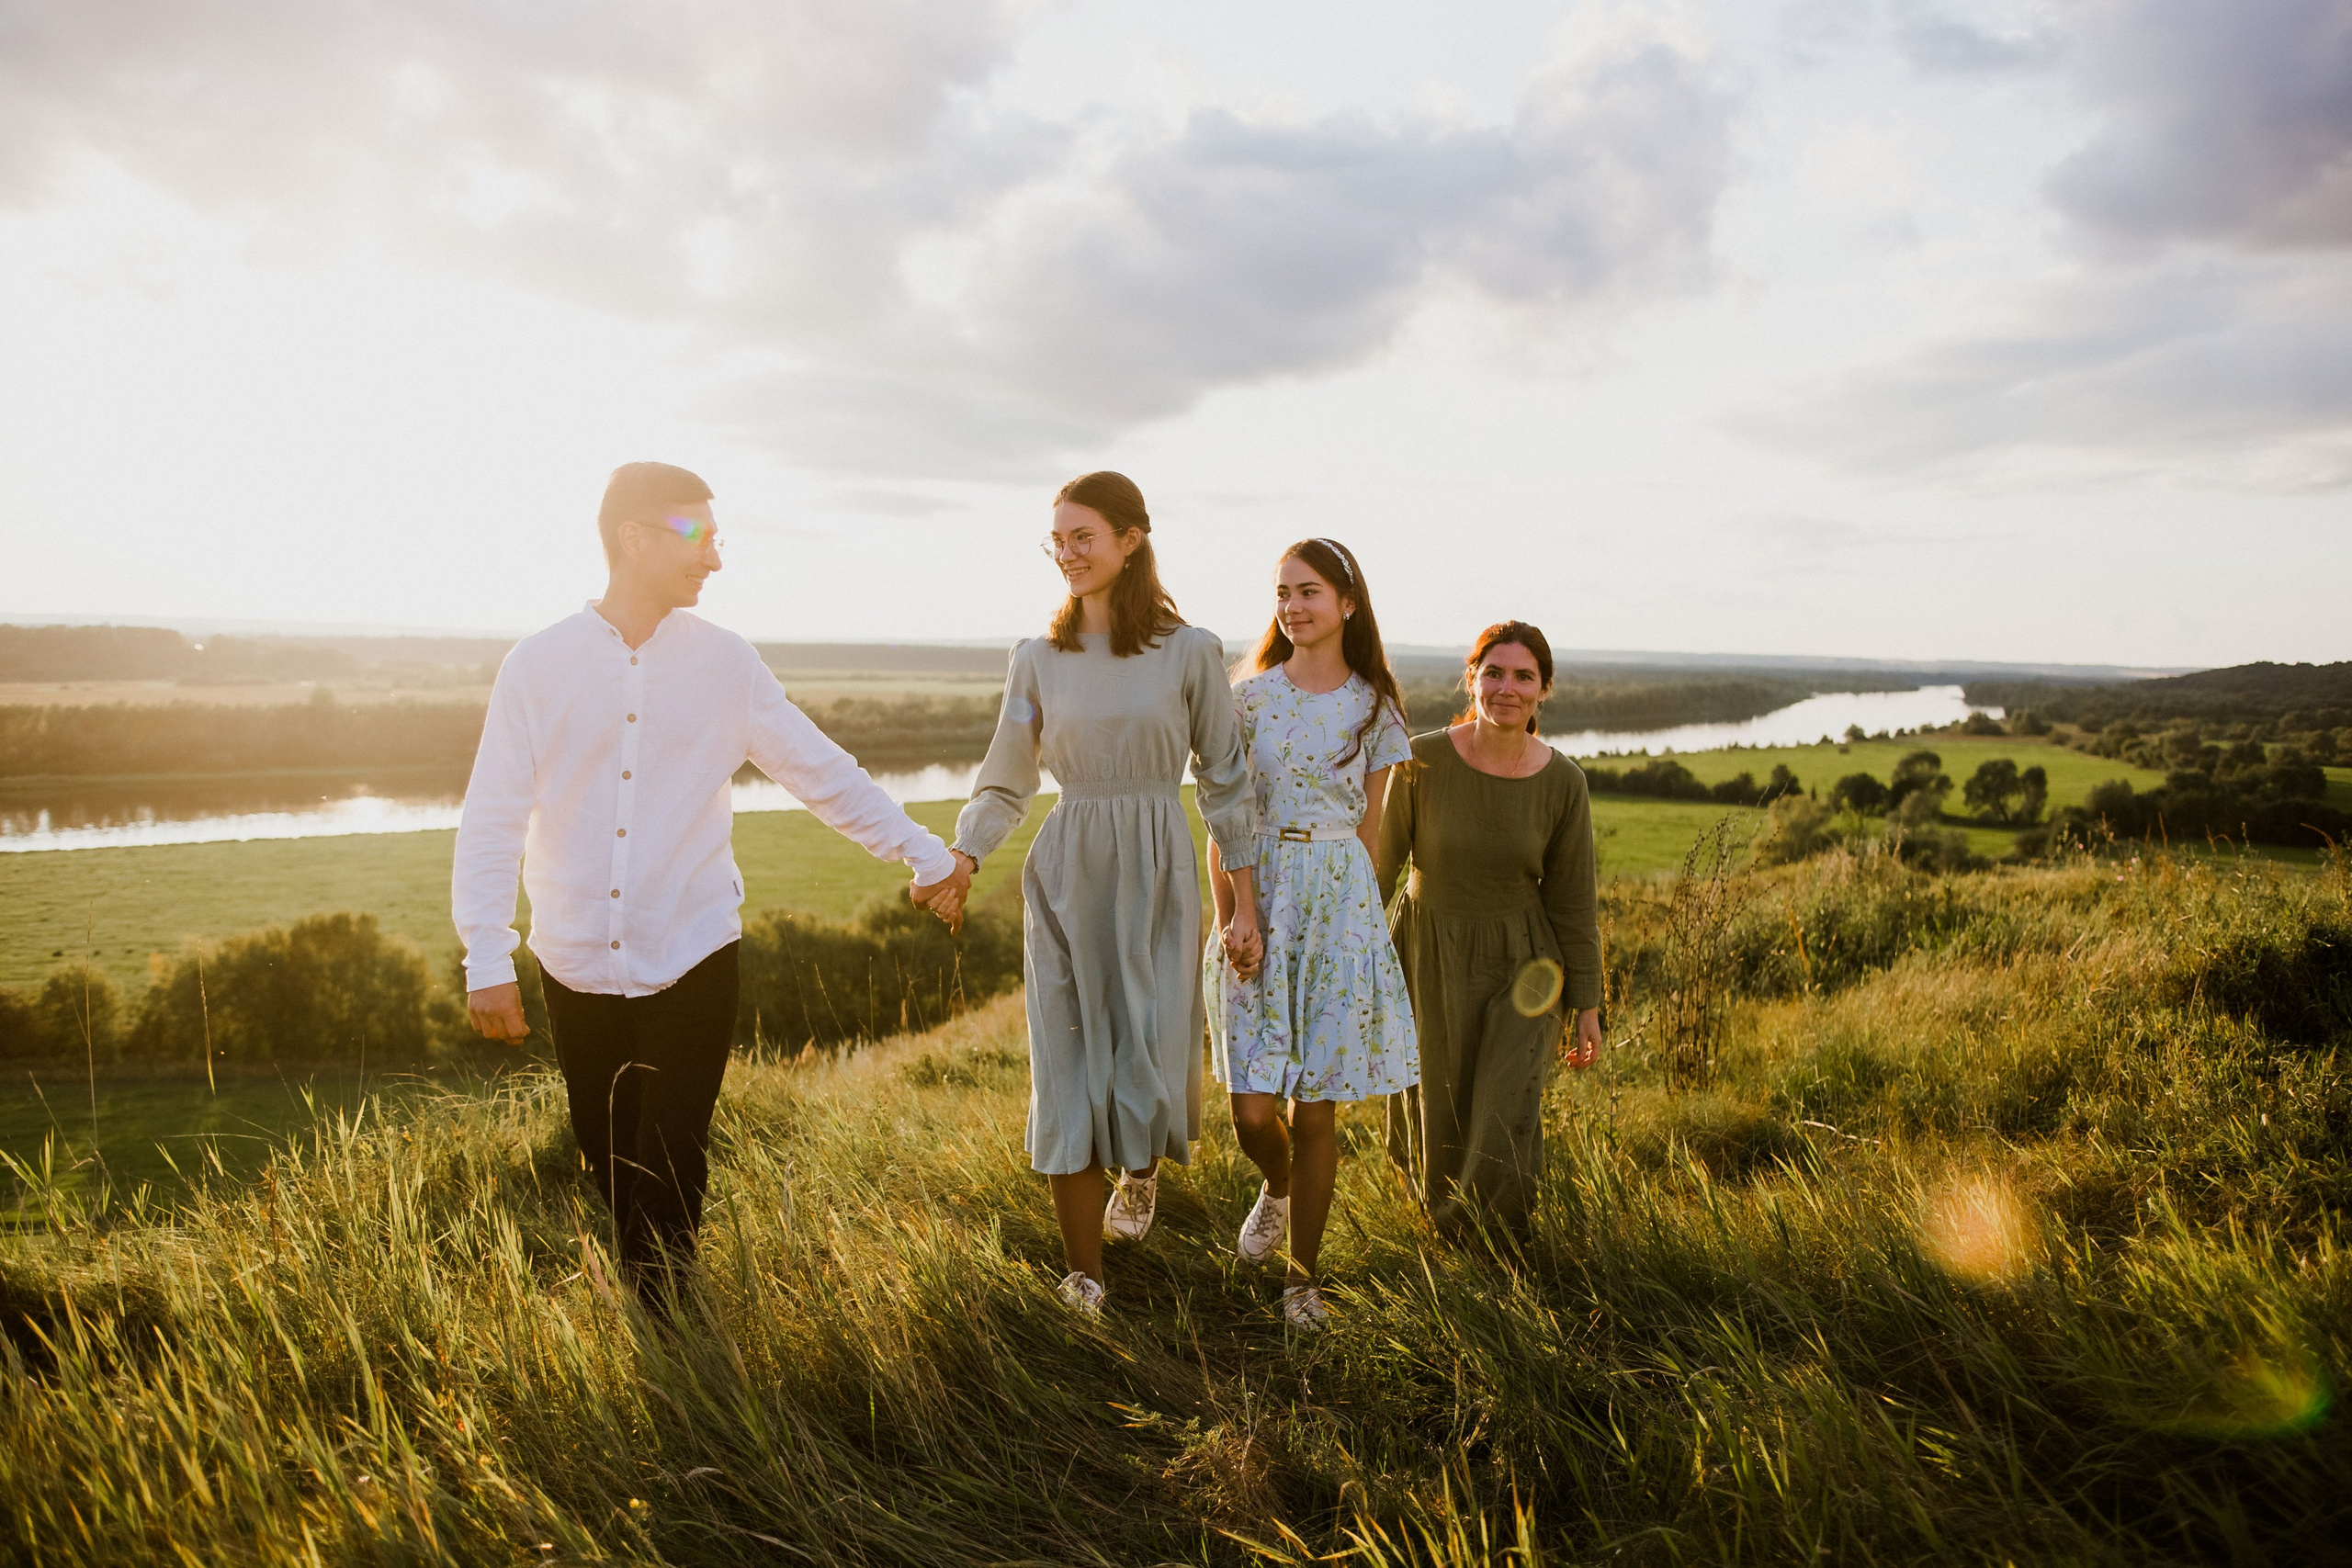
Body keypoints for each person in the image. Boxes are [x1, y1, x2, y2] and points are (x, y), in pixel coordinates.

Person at [453, 461, 970, 1311]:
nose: (715, 561)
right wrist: (486, 953)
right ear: (631, 539)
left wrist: (924, 853)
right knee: (606, 1151)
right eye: (697, 538)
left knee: (668, 1148)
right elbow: (492, 816)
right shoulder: (537, 665)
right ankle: (649, 1303)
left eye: (716, 539)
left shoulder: (726, 662)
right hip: (574, 959)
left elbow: (819, 771)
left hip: (693, 948)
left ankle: (670, 1325)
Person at [949, 471, 1260, 1317]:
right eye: (1057, 538)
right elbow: (1005, 781)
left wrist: (1245, 904)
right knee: (1066, 1061)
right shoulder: (1037, 658)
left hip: (1159, 866)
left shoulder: (1191, 650)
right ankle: (1083, 1273)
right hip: (1067, 867)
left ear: (1131, 538)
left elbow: (1227, 783)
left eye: (1083, 535)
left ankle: (1142, 1164)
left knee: (1152, 1053)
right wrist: (963, 856)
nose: (1068, 553)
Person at [1205, 537, 1419, 1329]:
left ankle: (1303, 1280)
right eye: (1283, 593)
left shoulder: (1375, 708)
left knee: (1317, 1110)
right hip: (1260, 897)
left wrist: (1356, 933)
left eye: (1310, 592)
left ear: (1348, 605)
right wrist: (1233, 915)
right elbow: (1225, 820)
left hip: (1339, 909)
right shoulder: (1247, 699)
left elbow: (1368, 836)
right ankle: (1279, 1183)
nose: (1293, 606)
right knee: (1255, 1113)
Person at [1376, 620, 1602, 1242]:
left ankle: (1494, 1240)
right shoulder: (1420, 758)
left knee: (1506, 1104)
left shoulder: (1564, 783)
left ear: (1544, 690)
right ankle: (1440, 1230)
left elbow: (1573, 901)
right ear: (1471, 677)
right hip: (1428, 949)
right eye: (1494, 672)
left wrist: (1588, 1003)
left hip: (1526, 965)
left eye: (1523, 676)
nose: (1507, 687)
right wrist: (1351, 964)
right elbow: (1380, 868)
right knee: (1439, 1101)